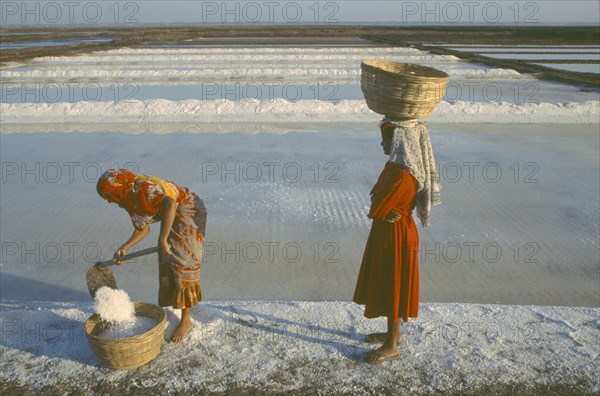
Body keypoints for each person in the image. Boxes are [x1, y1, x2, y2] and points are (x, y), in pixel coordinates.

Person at [353, 118, 441, 363]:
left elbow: (375, 206)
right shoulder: (396, 167)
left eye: (386, 139)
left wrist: (381, 208)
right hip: (391, 230)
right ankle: (394, 333)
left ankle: (391, 345)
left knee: (392, 283)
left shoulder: (402, 174)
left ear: (399, 142)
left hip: (396, 234)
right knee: (390, 282)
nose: (382, 143)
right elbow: (378, 205)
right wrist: (381, 208)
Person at [96, 168, 207, 343]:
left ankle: (186, 321)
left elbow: (170, 203)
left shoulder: (144, 188)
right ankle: (177, 303)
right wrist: (125, 248)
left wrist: (163, 238)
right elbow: (143, 228)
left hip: (189, 209)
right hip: (173, 213)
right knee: (166, 259)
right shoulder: (128, 199)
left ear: (117, 190)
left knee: (183, 262)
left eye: (108, 196)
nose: (109, 201)